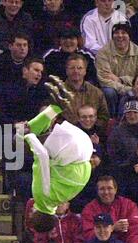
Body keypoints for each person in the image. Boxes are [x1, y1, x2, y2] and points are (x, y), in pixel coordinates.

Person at [19, 77, 94, 233]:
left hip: (85, 150)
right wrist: (27, 137)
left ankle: (57, 106)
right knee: (22, 137)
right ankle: (56, 107)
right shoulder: (41, 196)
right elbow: (42, 156)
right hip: (73, 151)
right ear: (34, 214)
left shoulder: (58, 200)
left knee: (30, 133)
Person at [96, 22, 138, 117]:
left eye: (124, 32)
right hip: (115, 89)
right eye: (116, 33)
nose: (120, 36)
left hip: (136, 88)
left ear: (129, 36)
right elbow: (104, 80)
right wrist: (129, 89)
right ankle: (113, 121)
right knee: (108, 92)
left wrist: (121, 79)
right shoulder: (103, 53)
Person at [81, 175, 138, 243]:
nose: (106, 192)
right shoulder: (89, 209)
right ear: (97, 191)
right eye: (102, 189)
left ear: (115, 189)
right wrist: (112, 228)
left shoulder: (129, 205)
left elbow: (135, 233)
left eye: (109, 188)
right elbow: (88, 235)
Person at [60, 53, 109, 128]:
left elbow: (104, 117)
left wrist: (89, 125)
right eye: (72, 68)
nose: (76, 71)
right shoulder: (58, 92)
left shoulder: (96, 92)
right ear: (66, 70)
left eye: (79, 68)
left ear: (85, 71)